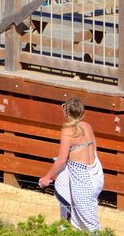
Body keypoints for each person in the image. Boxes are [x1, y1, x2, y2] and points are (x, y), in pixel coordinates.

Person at [38, 98, 104, 233]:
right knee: (75, 221)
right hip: (95, 175)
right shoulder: (87, 126)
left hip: (82, 179)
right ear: (83, 113)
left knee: (90, 225)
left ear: (65, 112)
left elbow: (62, 160)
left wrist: (47, 177)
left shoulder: (68, 131)